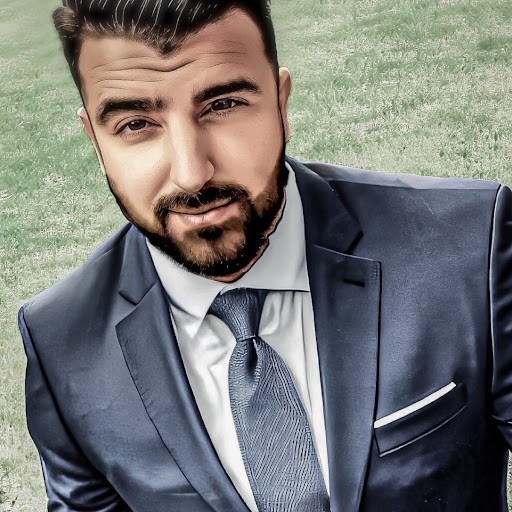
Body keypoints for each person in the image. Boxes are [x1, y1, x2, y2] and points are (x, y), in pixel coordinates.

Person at [18, 0, 512, 511]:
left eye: (223, 105)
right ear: (95, 140)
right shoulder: (60, 341)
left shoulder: (468, 244)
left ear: (281, 101)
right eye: (136, 123)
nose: (192, 174)